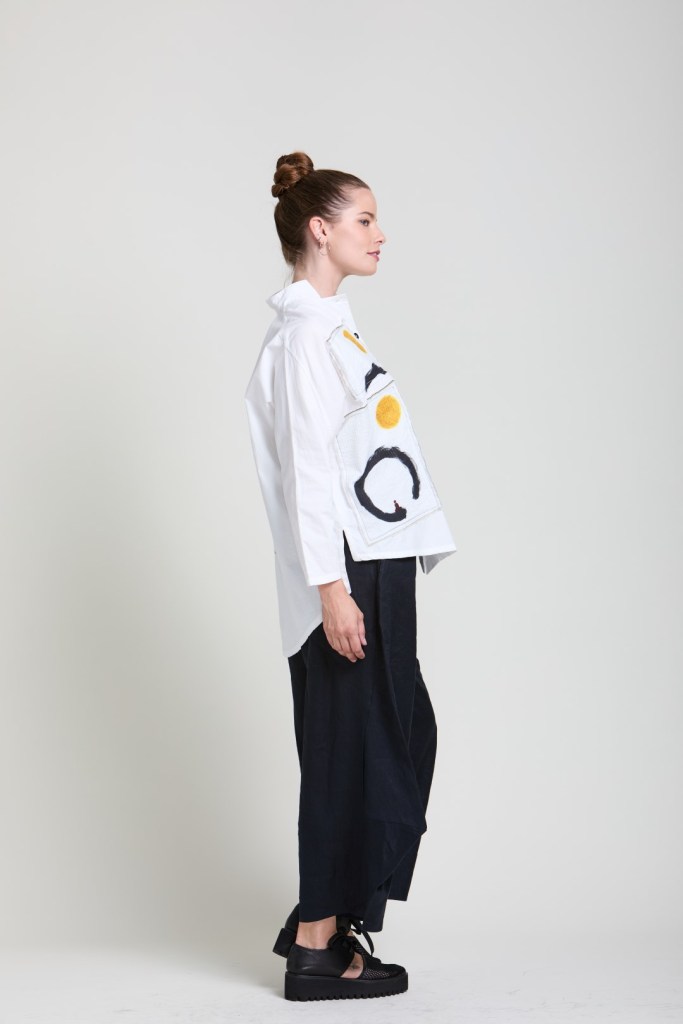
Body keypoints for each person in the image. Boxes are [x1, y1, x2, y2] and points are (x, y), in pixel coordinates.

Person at [244, 151, 457, 1001]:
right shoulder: (304, 336)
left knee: (383, 740)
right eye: (364, 220)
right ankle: (316, 947)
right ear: (319, 229)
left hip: (369, 561)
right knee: (352, 751)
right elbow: (307, 472)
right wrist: (331, 590)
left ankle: (325, 925)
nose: (379, 235)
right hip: (349, 570)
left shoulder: (328, 325)